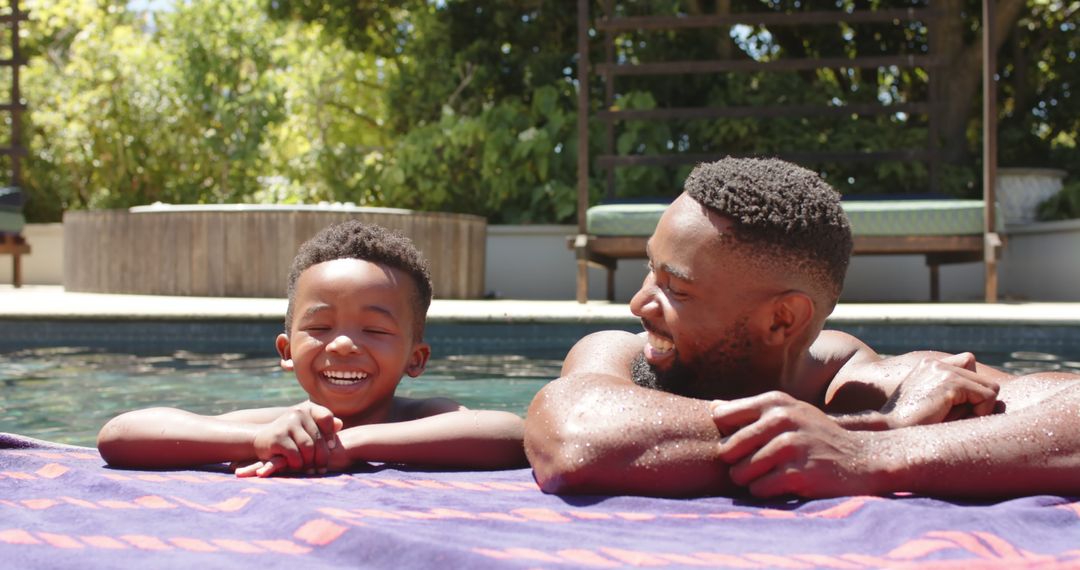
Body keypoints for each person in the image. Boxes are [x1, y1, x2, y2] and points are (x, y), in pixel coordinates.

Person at [524, 157, 1080, 498]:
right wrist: (878, 432)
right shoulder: (620, 355)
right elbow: (577, 439)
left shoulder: (865, 382)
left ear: (782, 318)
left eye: (676, 287)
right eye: (650, 269)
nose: (639, 303)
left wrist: (865, 460)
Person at [99, 220, 526, 476]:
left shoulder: (426, 418)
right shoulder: (273, 424)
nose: (341, 344)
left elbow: (510, 435)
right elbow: (120, 434)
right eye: (320, 326)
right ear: (286, 350)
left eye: (375, 330)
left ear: (416, 359)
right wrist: (260, 441)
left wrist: (351, 445)